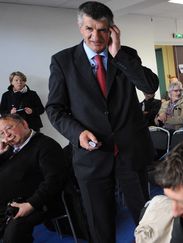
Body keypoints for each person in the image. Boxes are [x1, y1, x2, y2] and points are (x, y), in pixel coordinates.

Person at [45, 2, 159, 242]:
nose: (95, 36)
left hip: (130, 154)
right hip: (92, 157)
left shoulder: (126, 54)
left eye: (102, 30)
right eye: (89, 29)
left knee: (147, 220)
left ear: (112, 30)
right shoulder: (63, 61)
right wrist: (77, 133)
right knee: (101, 225)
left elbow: (149, 86)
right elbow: (55, 109)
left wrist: (118, 55)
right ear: (80, 27)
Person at [0, 114, 66, 243]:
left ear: (24, 124)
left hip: (31, 204)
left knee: (12, 237)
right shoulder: (9, 151)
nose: (6, 135)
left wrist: (31, 204)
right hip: (5, 206)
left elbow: (54, 180)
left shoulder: (45, 145)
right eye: (1, 133)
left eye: (9, 128)